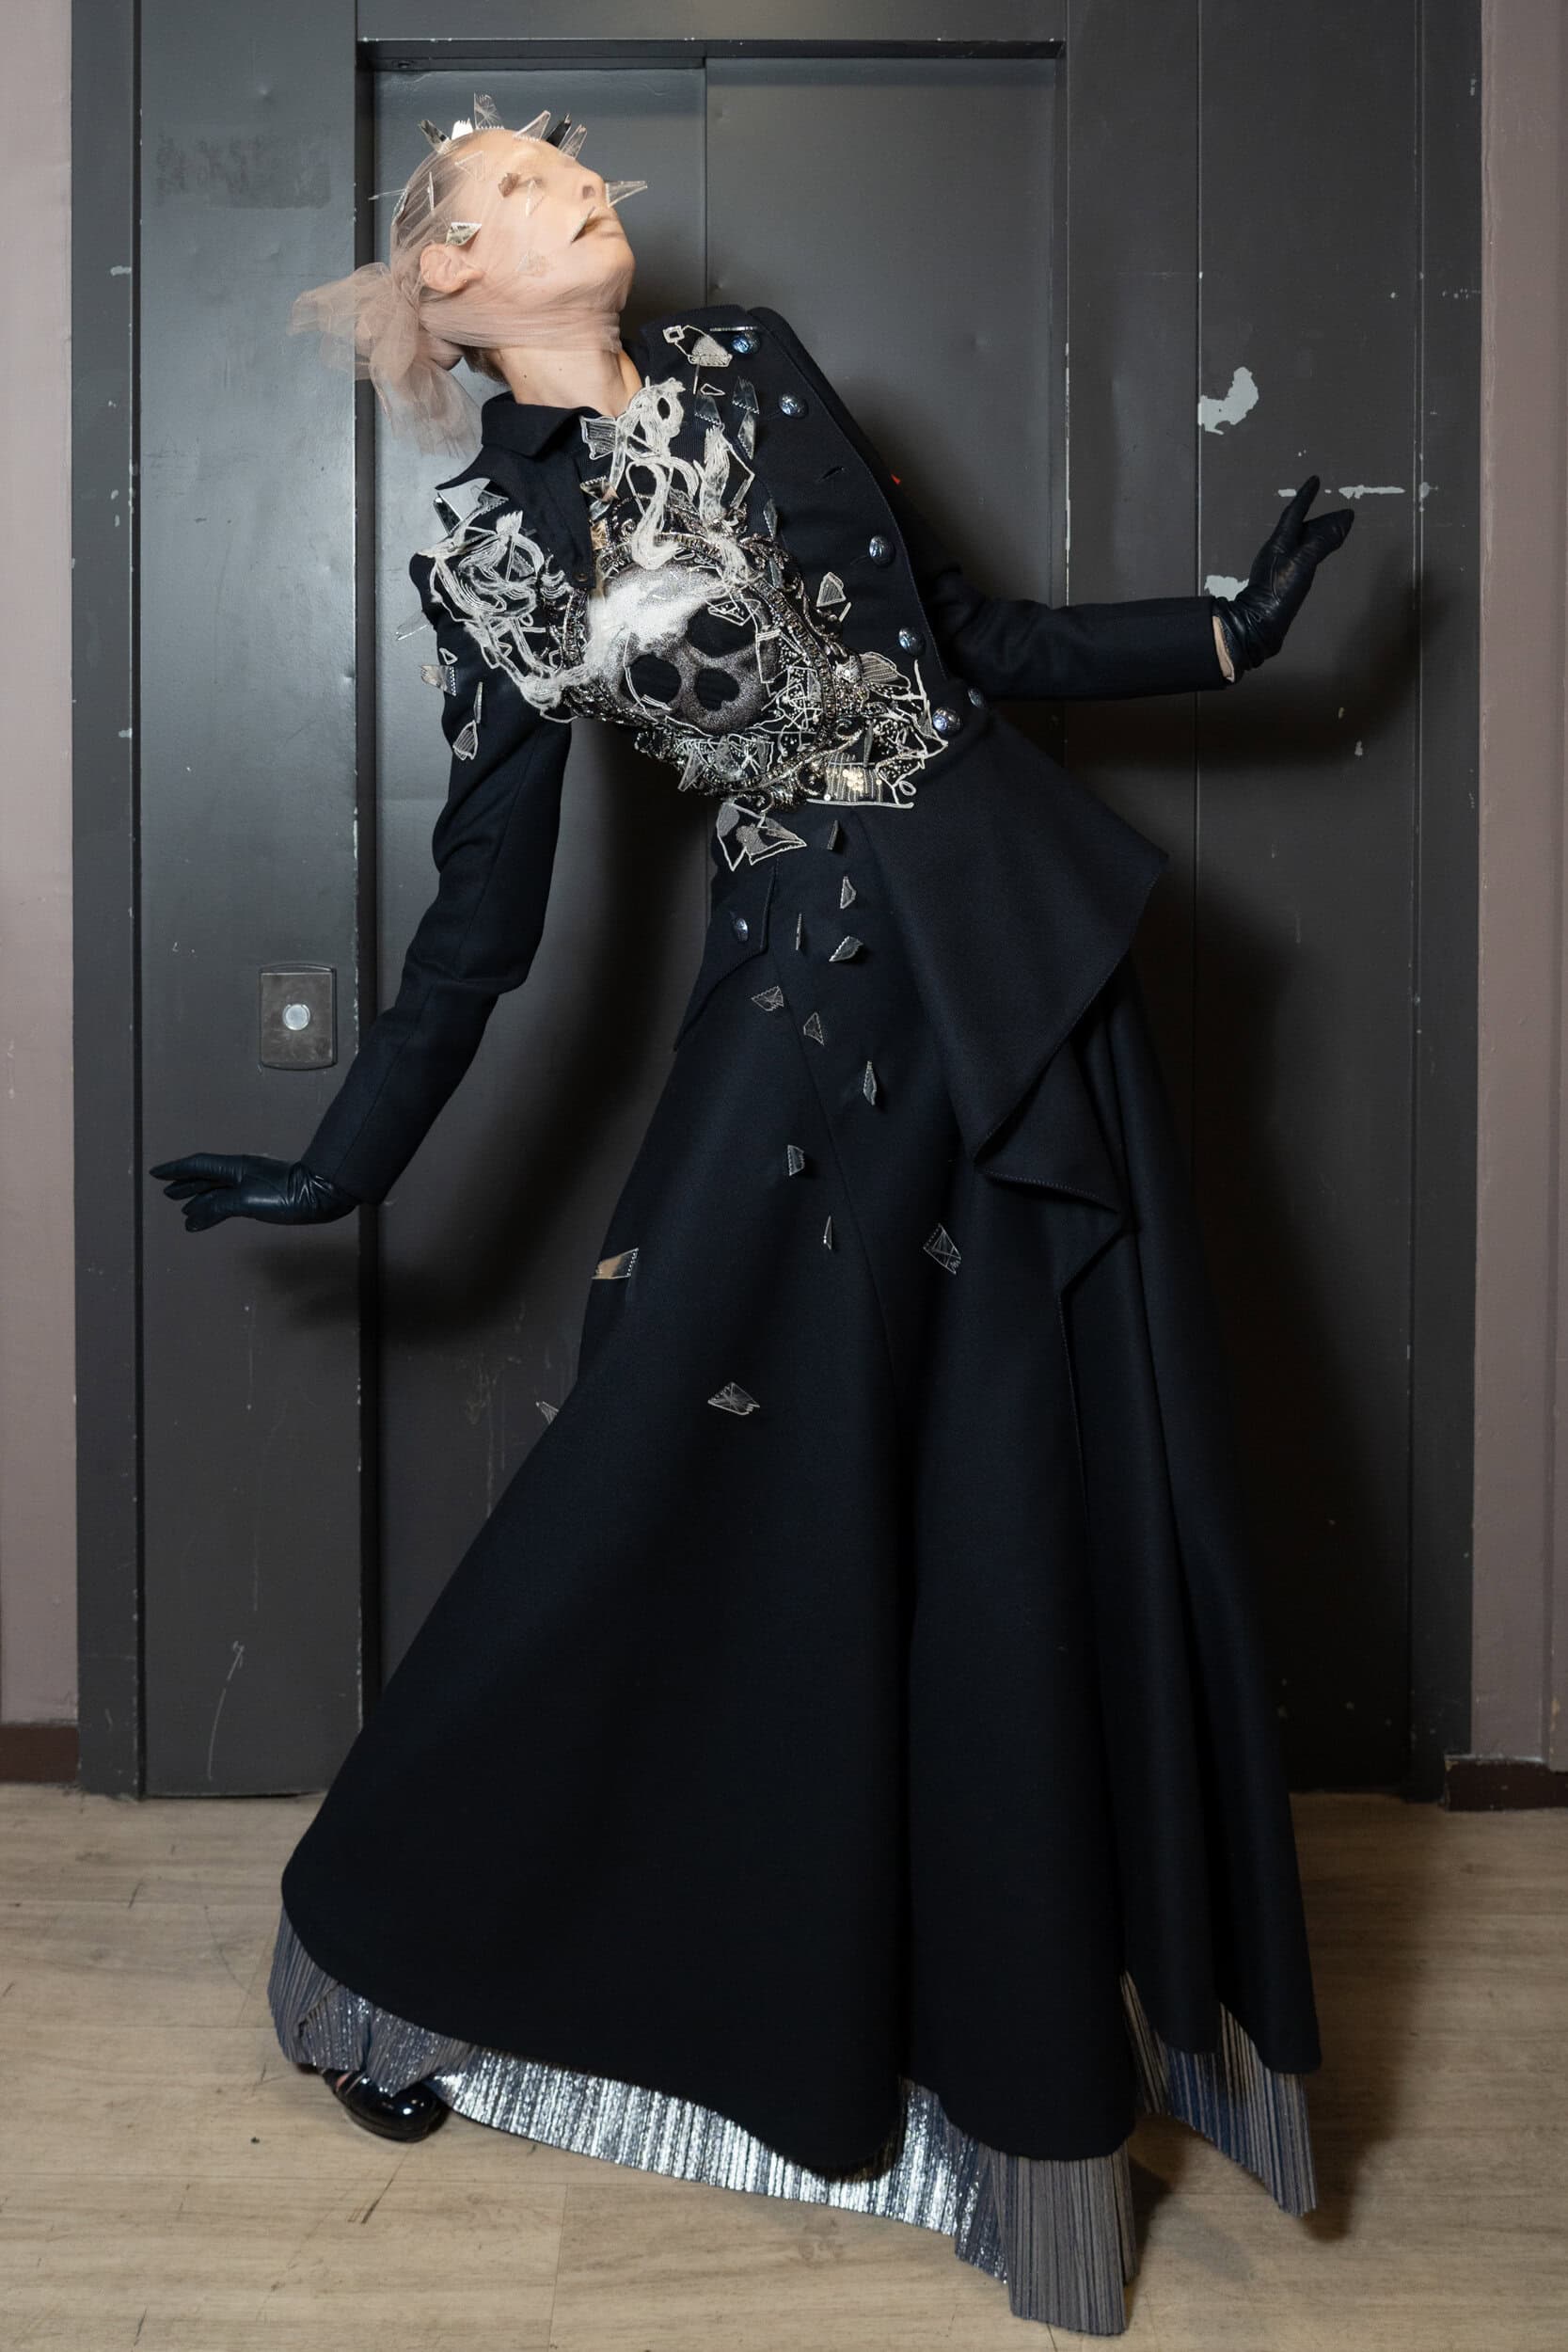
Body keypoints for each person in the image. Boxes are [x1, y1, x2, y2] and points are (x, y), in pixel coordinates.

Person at [149, 97, 1354, 2339]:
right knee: (656, 1472)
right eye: (520, 181)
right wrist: (353, 1151)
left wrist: (1217, 637)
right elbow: (483, 916)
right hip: (806, 1034)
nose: (577, 182)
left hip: (1018, 967)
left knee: (1010, 1498)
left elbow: (965, 639)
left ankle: (1003, 2062)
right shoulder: (492, 555)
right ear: (450, 276)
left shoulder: (757, 365)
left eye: (569, 163)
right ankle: (389, 1955)